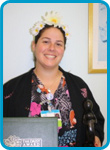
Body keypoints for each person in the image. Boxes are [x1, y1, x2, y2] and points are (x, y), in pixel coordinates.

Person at [3, 11, 104, 147]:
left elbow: (96, 118)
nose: (52, 48)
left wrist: (95, 136)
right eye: (46, 42)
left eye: (58, 44)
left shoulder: (80, 86)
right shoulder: (10, 90)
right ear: (34, 45)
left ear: (63, 49)